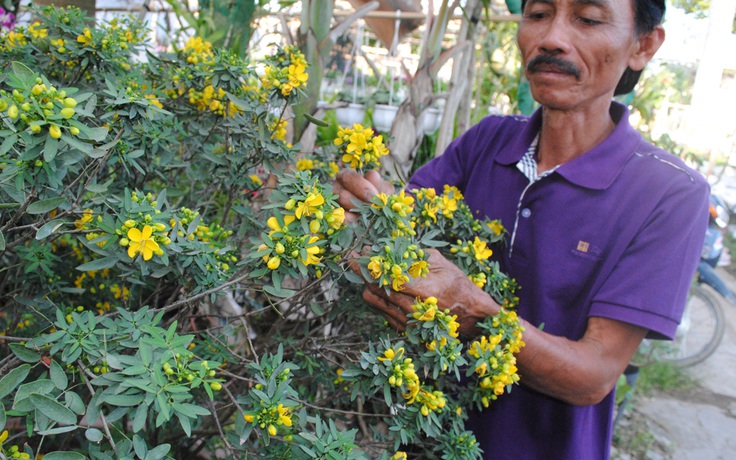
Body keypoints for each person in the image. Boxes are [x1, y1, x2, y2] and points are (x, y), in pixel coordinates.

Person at [334, 0, 711, 458]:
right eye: (537, 14)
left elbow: (593, 376)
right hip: (417, 441)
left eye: (587, 19)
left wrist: (474, 312)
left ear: (643, 45)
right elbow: (405, 223)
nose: (551, 37)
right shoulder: (488, 139)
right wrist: (368, 206)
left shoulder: (669, 192)